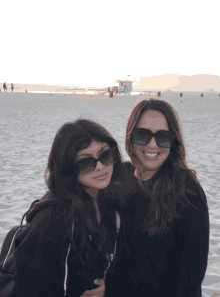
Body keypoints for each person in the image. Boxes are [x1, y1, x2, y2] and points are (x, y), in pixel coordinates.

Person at [105, 99, 209, 297]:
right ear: (131, 136)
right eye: (143, 135)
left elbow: (191, 277)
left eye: (163, 137)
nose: (152, 145)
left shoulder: (187, 191)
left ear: (173, 141)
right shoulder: (121, 178)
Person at [12, 119, 126, 297]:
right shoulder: (52, 219)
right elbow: (30, 287)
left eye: (105, 155)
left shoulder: (109, 202)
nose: (100, 167)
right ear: (68, 168)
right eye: (86, 163)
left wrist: (110, 286)